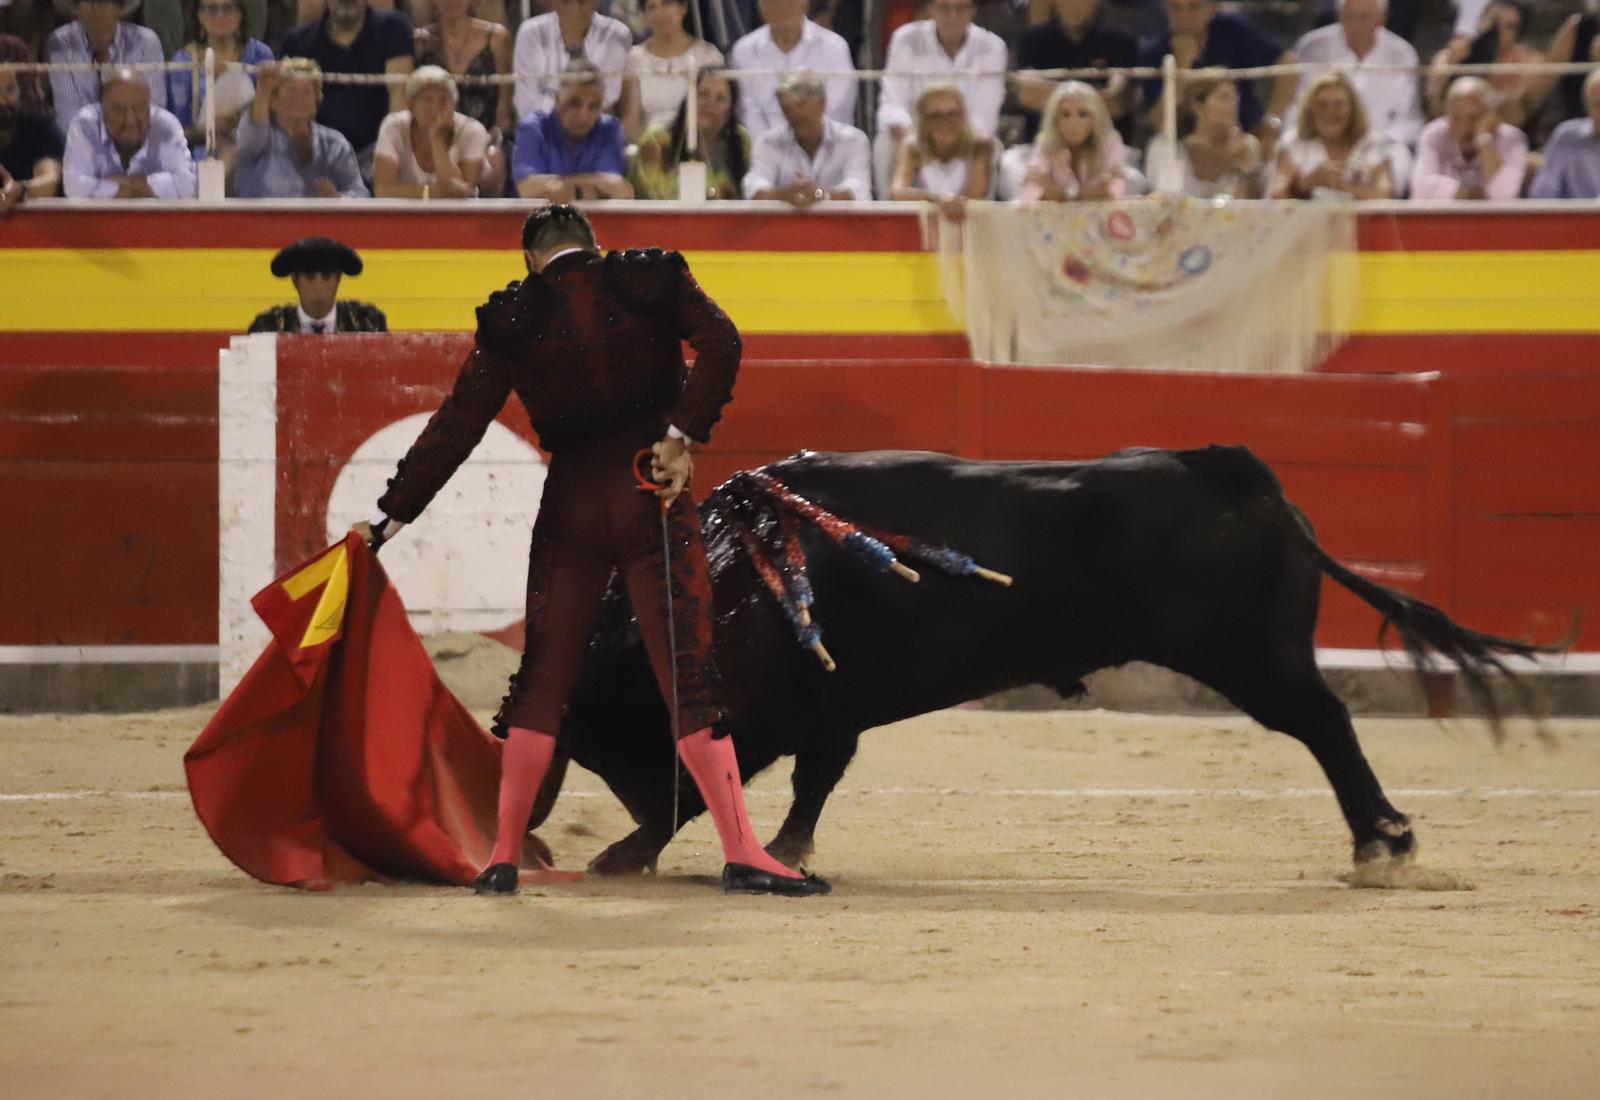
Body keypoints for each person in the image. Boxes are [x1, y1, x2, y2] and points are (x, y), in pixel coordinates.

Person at [356, 204, 831, 898]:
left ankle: (503, 856)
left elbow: (456, 427)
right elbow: (723, 343)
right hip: (651, 494)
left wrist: (388, 521)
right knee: (687, 676)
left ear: (530, 260)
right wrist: (680, 436)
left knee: (543, 678)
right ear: (594, 245)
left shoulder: (515, 316)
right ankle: (742, 850)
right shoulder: (649, 279)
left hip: (571, 506)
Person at [876, 0, 1006, 198]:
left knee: (988, 145)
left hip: (967, 139)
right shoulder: (905, 39)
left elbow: (986, 115)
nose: (953, 16)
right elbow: (893, 104)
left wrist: (951, 136)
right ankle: (892, 213)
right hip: (916, 137)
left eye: (960, 8)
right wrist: (922, 138)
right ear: (931, 9)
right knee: (885, 144)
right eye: (945, 7)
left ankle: (974, 213)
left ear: (972, 10)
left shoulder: (993, 47)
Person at [1291, 0, 1420, 190]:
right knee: (1288, 156)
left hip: (1381, 143)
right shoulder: (1311, 47)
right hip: (1320, 139)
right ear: (1339, 16)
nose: (1356, 25)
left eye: (1363, 18)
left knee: (1398, 165)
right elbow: (1297, 107)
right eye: (1349, 17)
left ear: (1381, 19)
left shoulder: (1403, 54)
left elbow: (1408, 119)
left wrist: (1372, 145)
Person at [279, 0, 415, 175]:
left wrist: (390, 160)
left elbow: (399, 100)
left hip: (377, 154)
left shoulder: (394, 28)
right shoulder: (297, 41)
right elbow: (292, 115)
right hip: (318, 157)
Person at [1138, 0, 1296, 150]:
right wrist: (1182, 66)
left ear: (1212, 8)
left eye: (1194, 7)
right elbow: (1159, 121)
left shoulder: (1233, 30)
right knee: (1158, 146)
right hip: (1184, 145)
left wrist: (1271, 122)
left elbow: (1288, 65)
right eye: (1175, 7)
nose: (1184, 15)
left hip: (1243, 134)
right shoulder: (1155, 52)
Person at [234, 57, 369, 197]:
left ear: (316, 101)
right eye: (291, 89)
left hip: (318, 212)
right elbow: (253, 132)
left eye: (307, 91)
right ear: (273, 100)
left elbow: (361, 194)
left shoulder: (334, 144)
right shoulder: (258, 139)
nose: (298, 97)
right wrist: (263, 89)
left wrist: (338, 199)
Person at [728, 0, 855, 140]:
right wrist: (770, 147)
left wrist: (802, 144)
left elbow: (836, 109)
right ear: (760, 5)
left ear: (806, 3)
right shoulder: (743, 51)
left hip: (825, 145)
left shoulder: (835, 48)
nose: (782, 6)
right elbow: (747, 112)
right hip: (762, 147)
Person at [62, 67, 197, 198]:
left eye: (139, 108)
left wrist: (122, 187)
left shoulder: (165, 125)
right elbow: (73, 187)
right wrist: (149, 189)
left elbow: (189, 185)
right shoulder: (85, 124)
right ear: (102, 110)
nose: (130, 120)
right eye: (119, 110)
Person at [1014, 0, 1136, 145]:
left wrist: (1049, 94)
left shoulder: (1121, 41)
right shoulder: (1032, 39)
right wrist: (1093, 98)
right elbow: (1027, 94)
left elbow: (1116, 104)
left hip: (1106, 146)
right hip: (1043, 145)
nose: (1074, 4)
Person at [742, 70, 870, 206]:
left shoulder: (853, 140)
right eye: (786, 108)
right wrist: (783, 195)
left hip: (840, 219)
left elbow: (858, 187)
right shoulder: (768, 142)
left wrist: (820, 195)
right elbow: (753, 184)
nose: (794, 114)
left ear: (822, 104)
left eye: (801, 105)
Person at [511, 61, 631, 200]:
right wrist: (585, 190)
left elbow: (616, 187)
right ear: (557, 100)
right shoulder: (533, 128)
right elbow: (526, 188)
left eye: (593, 106)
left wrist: (564, 190)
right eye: (574, 104)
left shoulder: (609, 129)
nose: (583, 115)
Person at [170, 0, 275, 157]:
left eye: (228, 8)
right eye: (211, 9)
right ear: (199, 15)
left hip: (254, 147)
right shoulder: (184, 61)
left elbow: (272, 114)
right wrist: (208, 130)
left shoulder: (261, 55)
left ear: (240, 13)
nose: (220, 15)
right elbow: (178, 129)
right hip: (199, 150)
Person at [629, 65, 749, 200]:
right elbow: (657, 196)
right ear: (689, 99)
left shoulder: (740, 141)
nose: (711, 104)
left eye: (721, 98)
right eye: (703, 94)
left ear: (730, 110)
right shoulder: (657, 140)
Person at [1269, 69, 1392, 201]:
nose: (1331, 112)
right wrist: (1309, 182)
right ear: (1311, 110)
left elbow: (1384, 196)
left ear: (1353, 109)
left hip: (1358, 214)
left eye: (1339, 104)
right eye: (1322, 105)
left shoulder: (1373, 143)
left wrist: (1345, 185)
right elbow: (1277, 196)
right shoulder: (1293, 142)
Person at [46, 0, 167, 134]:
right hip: (80, 141)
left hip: (136, 138)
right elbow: (67, 115)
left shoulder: (146, 42)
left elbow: (154, 108)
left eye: (104, 1)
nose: (95, 7)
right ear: (78, 7)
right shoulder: (60, 42)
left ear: (120, 8)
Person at [373, 65, 492, 197]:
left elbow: (461, 193)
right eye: (427, 99)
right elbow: (382, 190)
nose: (436, 107)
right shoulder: (394, 126)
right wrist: (430, 192)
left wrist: (437, 138)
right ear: (410, 105)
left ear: (454, 104)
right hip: (404, 210)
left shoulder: (471, 130)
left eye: (444, 99)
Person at [1426, 1, 1543, 130]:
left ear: (1517, 33)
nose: (1499, 31)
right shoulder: (1450, 56)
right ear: (1480, 21)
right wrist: (1453, 65)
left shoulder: (1529, 61)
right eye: (1494, 22)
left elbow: (1521, 110)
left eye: (1509, 27)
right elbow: (1435, 108)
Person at [620, 0, 724, 143]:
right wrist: (649, 149)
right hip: (648, 145)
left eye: (667, 4)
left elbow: (715, 116)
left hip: (697, 145)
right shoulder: (634, 59)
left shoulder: (708, 57)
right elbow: (630, 122)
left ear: (683, 8)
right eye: (651, 7)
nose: (659, 13)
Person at [1410, 75, 1526, 201]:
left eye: (1474, 118)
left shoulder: (1512, 139)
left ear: (1491, 117)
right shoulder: (1433, 135)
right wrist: (1471, 195)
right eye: (1457, 117)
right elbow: (1421, 188)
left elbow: (1503, 196)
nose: (1465, 127)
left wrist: (1485, 143)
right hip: (1446, 214)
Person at [1146, 70, 1262, 198]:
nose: (1233, 105)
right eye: (1224, 98)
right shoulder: (1168, 149)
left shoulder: (1247, 145)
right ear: (1198, 106)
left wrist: (1245, 170)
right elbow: (1166, 199)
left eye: (1235, 98)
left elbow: (1252, 205)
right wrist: (1223, 160)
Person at [511, 0, 631, 120]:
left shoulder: (616, 34)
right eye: (567, 2)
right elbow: (526, 104)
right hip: (543, 124)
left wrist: (574, 42)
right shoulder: (530, 32)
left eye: (582, 2)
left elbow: (606, 98)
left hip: (593, 124)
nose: (574, 9)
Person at [889, 82, 994, 217]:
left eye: (952, 114)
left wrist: (940, 203)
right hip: (923, 223)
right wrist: (938, 199)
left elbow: (975, 197)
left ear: (963, 116)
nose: (944, 122)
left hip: (974, 223)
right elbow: (898, 192)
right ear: (923, 120)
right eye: (934, 115)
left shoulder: (981, 145)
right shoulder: (912, 147)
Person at [414, 0, 513, 139]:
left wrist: (488, 143)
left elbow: (504, 112)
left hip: (487, 140)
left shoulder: (497, 38)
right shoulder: (418, 42)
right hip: (433, 140)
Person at [247, 236, 387, 333]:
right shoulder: (269, 326)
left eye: (326, 276)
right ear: (295, 280)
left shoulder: (367, 322)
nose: (318, 284)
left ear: (338, 279)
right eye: (310, 276)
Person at [1017, 78, 1124, 201]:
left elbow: (1114, 191)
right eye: (1065, 114)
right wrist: (1082, 195)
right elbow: (1030, 192)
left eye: (1083, 114)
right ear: (1055, 120)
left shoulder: (1109, 141)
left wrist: (1060, 194)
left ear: (1095, 118)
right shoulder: (1046, 142)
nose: (1074, 123)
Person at [1528, 69, 1600, 200]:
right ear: (1587, 105)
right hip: (1576, 212)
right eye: (1598, 104)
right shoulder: (1566, 136)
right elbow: (1543, 193)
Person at [0, 67, 64, 212]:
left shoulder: (41, 128)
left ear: (19, 91)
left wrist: (19, 191)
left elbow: (50, 181)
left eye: (10, 90)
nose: (3, 101)